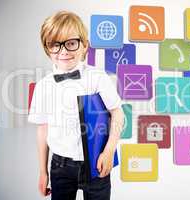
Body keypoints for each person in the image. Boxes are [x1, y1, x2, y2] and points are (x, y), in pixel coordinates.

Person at [28, 10, 124, 200]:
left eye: (71, 43)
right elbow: (43, 129)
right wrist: (42, 171)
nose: (63, 51)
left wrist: (109, 150)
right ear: (47, 48)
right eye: (55, 44)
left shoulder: (97, 77)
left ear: (84, 46)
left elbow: (117, 113)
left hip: (97, 161)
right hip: (60, 166)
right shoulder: (43, 86)